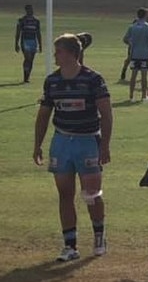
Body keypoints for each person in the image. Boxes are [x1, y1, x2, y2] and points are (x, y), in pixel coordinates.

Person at [33, 34, 112, 261]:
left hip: (87, 141)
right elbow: (44, 115)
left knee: (91, 194)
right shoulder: (52, 81)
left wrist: (104, 146)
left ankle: (99, 236)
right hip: (61, 142)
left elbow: (106, 114)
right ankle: (70, 245)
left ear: (69, 53)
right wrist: (37, 144)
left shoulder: (93, 79)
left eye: (58, 51)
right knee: (65, 194)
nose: (55, 55)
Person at [123, 8, 148, 102]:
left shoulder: (132, 27)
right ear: (145, 15)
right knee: (144, 76)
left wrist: (132, 44)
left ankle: (131, 96)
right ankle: (144, 96)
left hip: (134, 54)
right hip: (144, 54)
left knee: (133, 75)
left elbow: (125, 39)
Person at [120, 9, 148, 81]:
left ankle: (142, 76)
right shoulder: (136, 22)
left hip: (144, 47)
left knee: (143, 61)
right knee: (129, 59)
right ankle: (124, 70)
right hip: (134, 46)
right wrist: (131, 43)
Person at [15, 4, 42, 83]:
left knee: (31, 60)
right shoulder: (21, 20)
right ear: (26, 10)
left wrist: (40, 45)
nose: (31, 11)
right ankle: (25, 77)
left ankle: (27, 77)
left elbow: (38, 33)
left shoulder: (36, 21)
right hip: (25, 41)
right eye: (29, 9)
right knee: (28, 59)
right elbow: (18, 32)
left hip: (33, 41)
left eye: (31, 9)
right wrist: (16, 44)